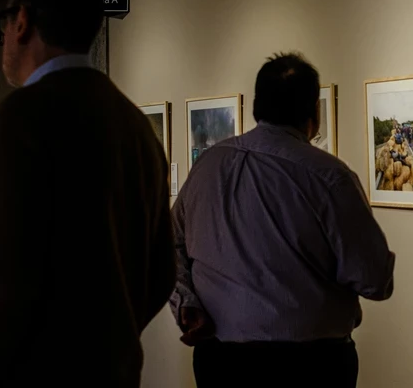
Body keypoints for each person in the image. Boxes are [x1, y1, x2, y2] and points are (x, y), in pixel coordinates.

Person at [0, 0, 175, 387]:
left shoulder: (22, 115)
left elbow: (10, 271)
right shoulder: (133, 122)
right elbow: (162, 271)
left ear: (22, 22)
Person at [170, 51, 396, 388]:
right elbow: (375, 280)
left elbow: (168, 244)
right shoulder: (329, 177)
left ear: (256, 106)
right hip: (310, 366)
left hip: (221, 362)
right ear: (313, 112)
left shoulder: (208, 167)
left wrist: (186, 301)